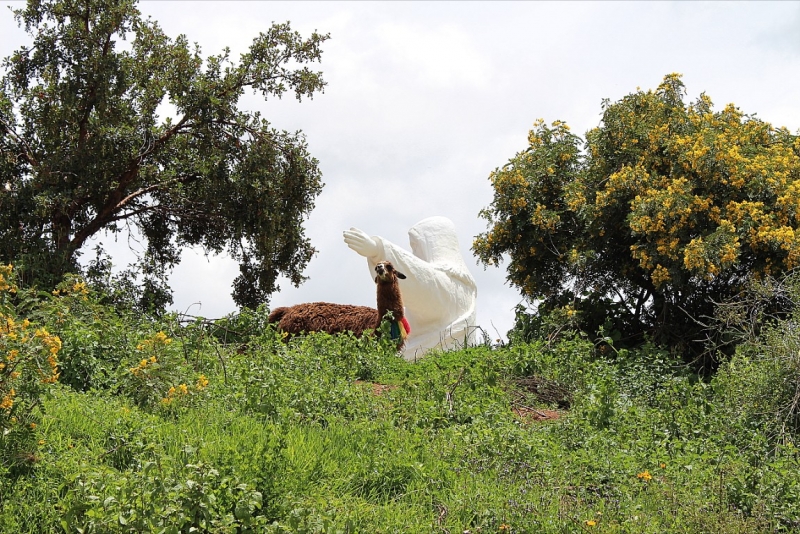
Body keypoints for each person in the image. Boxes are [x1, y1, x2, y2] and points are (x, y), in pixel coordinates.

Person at [344, 216, 478, 360]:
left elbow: (423, 280)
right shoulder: (461, 283)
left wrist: (378, 250)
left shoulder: (453, 282)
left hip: (435, 361)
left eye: (415, 245)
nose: (415, 253)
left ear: (430, 243)